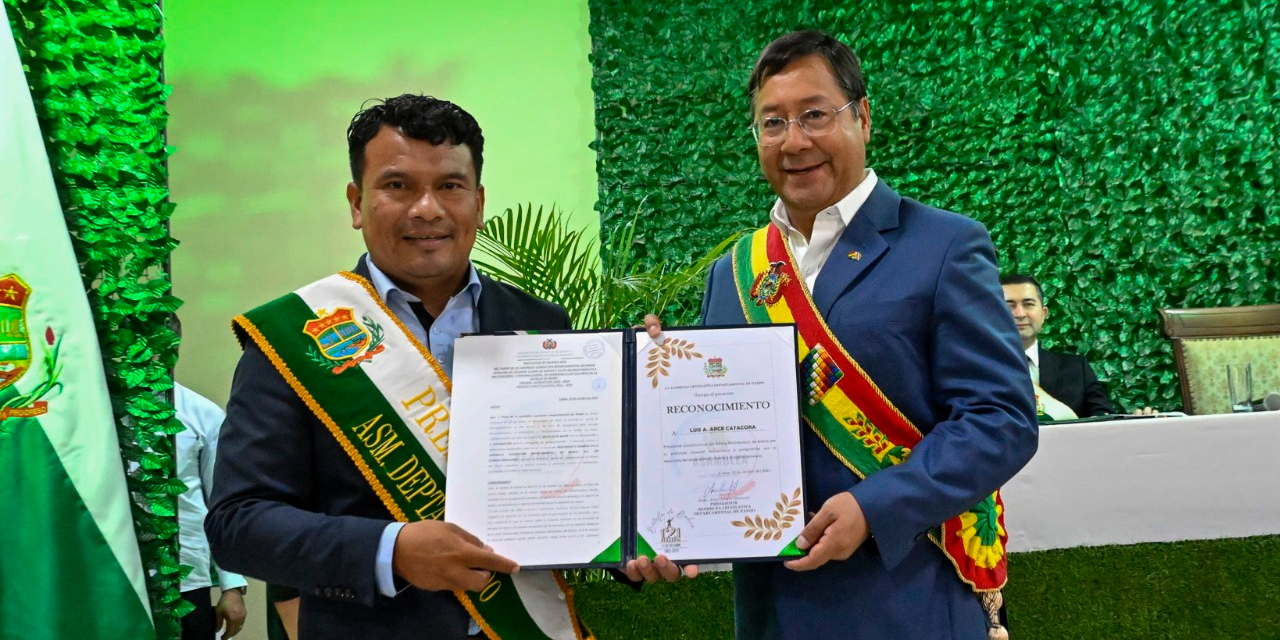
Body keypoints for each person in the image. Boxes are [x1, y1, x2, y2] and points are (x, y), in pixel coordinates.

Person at [687, 30, 1039, 639]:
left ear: (863, 116)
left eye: (814, 115)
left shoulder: (944, 245)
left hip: (906, 600)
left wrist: (875, 509)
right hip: (771, 612)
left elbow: (1001, 418)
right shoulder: (733, 273)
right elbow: (704, 425)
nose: (794, 141)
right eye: (772, 123)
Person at [205, 94, 589, 640]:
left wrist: (634, 544)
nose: (426, 209)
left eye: (450, 187)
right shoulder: (291, 338)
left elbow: (583, 482)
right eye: (398, 185)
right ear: (357, 203)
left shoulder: (542, 323)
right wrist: (394, 551)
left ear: (478, 202)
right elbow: (238, 523)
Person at [1000, 273, 1152, 418]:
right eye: (1010, 305)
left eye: (1028, 304)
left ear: (1043, 314)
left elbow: (1104, 422)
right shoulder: (979, 370)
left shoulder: (1077, 368)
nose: (1020, 313)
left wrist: (1140, 423)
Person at [175, 380, 248, 640]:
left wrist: (232, 587)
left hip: (187, 576)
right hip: (115, 574)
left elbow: (223, 505)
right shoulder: (103, 413)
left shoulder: (201, 413)